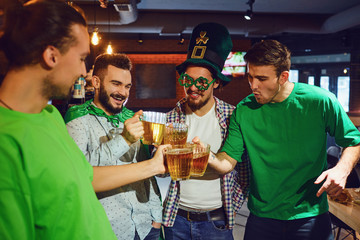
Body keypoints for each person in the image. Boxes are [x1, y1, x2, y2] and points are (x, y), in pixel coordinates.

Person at [0, 1, 167, 239]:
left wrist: (155, 165)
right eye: (81, 58)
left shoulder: (49, 117)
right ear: (51, 56)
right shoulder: (6, 143)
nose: (85, 72)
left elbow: (87, 176)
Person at [206, 39, 360, 240]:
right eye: (250, 77)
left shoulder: (320, 101)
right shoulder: (244, 110)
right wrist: (205, 156)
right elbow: (227, 161)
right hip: (262, 217)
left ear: (283, 77)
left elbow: (353, 141)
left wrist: (342, 170)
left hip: (310, 214)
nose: (253, 86)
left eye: (262, 78)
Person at [162, 22, 250, 240]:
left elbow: (245, 169)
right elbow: (162, 172)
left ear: (216, 83)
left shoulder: (233, 117)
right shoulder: (171, 118)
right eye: (188, 81)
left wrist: (231, 206)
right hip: (177, 221)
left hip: (217, 224)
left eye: (201, 82)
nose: (193, 88)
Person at [64, 53, 162, 240]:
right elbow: (81, 173)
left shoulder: (131, 117)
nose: (123, 93)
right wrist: (124, 139)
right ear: (97, 82)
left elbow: (146, 171)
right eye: (116, 84)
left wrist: (156, 216)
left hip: (145, 226)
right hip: (108, 229)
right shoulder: (77, 119)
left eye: (127, 86)